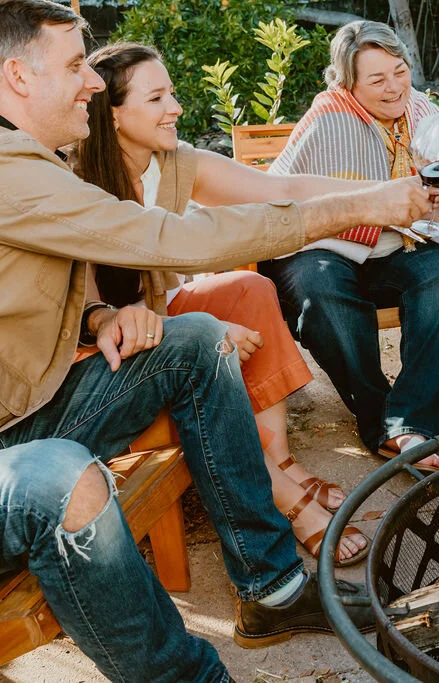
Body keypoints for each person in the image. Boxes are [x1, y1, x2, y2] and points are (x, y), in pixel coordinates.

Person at [0, 1, 435, 679]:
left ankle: (272, 588)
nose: (91, 78)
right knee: (63, 475)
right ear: (17, 78)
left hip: (34, 407)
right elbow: (172, 238)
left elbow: (55, 279)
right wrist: (359, 204)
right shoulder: (12, 169)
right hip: (16, 450)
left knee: (200, 339)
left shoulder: (43, 160)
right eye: (76, 65)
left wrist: (95, 317)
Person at [76, 42, 378, 566]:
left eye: (171, 93)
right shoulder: (75, 179)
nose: (175, 108)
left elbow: (277, 189)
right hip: (101, 338)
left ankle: (280, 462)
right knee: (204, 339)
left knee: (252, 289)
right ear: (114, 113)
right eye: (157, 98)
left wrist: (379, 194)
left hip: (165, 310)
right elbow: (86, 311)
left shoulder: (174, 160)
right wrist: (202, 330)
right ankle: (289, 502)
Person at [263, 20, 439, 471]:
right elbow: (288, 195)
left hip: (394, 247)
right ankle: (382, 421)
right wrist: (435, 213)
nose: (394, 88)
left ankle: (414, 423)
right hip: (322, 247)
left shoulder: (421, 108)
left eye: (400, 70)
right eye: (377, 79)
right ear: (348, 84)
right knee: (324, 296)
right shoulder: (328, 119)